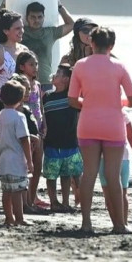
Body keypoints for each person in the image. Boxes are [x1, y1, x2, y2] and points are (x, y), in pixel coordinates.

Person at [68, 27, 132, 234]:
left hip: (88, 124)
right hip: (113, 125)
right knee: (113, 176)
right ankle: (119, 224)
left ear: (92, 43)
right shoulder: (119, 67)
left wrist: (89, 104)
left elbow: (72, 99)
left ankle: (86, 223)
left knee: (89, 174)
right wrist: (118, 103)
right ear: (111, 46)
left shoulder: (80, 66)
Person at [42, 64, 83, 212]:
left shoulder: (71, 98)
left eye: (58, 74)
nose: (55, 75)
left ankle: (66, 202)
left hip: (70, 142)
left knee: (66, 174)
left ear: (66, 79)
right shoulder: (46, 97)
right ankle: (54, 202)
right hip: (51, 142)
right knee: (51, 175)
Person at [0, 80, 34, 226]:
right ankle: (19, 218)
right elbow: (24, 139)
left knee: (6, 192)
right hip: (17, 161)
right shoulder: (19, 117)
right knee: (18, 191)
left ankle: (8, 217)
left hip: (4, 160)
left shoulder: (0, 116)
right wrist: (29, 161)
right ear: (19, 100)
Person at [99, 112, 132, 227]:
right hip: (123, 159)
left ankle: (116, 224)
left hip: (104, 159)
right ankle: (124, 223)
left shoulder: (98, 116)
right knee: (123, 193)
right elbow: (131, 138)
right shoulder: (123, 115)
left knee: (108, 194)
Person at [15, 51, 47, 207]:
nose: (35, 68)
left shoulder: (37, 85)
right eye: (31, 65)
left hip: (38, 127)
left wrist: (44, 123)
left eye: (36, 64)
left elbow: (40, 106)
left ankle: (32, 198)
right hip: (26, 127)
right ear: (22, 67)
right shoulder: (19, 83)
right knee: (27, 163)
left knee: (37, 164)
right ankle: (24, 200)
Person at [22, 1, 75, 92]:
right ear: (27, 18)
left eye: (40, 17)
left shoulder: (50, 33)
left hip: (45, 82)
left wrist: (60, 7)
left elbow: (71, 24)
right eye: (33, 17)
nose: (36, 20)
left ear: (44, 18)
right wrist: (4, 6)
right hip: (24, 82)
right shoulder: (20, 32)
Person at [9, 73, 44, 213]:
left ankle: (29, 200)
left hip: (34, 143)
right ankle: (22, 204)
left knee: (36, 170)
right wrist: (31, 138)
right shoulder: (14, 111)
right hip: (23, 147)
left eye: (29, 89)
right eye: (26, 89)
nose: (28, 92)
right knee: (22, 175)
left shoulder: (27, 109)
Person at [0, 11, 28, 110]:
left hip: (25, 102)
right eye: (17, 28)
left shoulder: (25, 50)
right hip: (3, 103)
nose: (22, 31)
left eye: (22, 27)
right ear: (6, 31)